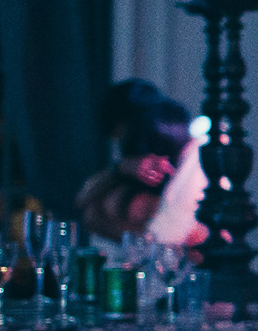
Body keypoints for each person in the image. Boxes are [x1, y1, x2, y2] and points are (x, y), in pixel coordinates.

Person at [74, 87, 208, 247]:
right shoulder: (130, 172)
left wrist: (99, 221)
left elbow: (172, 242)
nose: (120, 142)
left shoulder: (193, 167)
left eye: (121, 134)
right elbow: (82, 199)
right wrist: (122, 168)